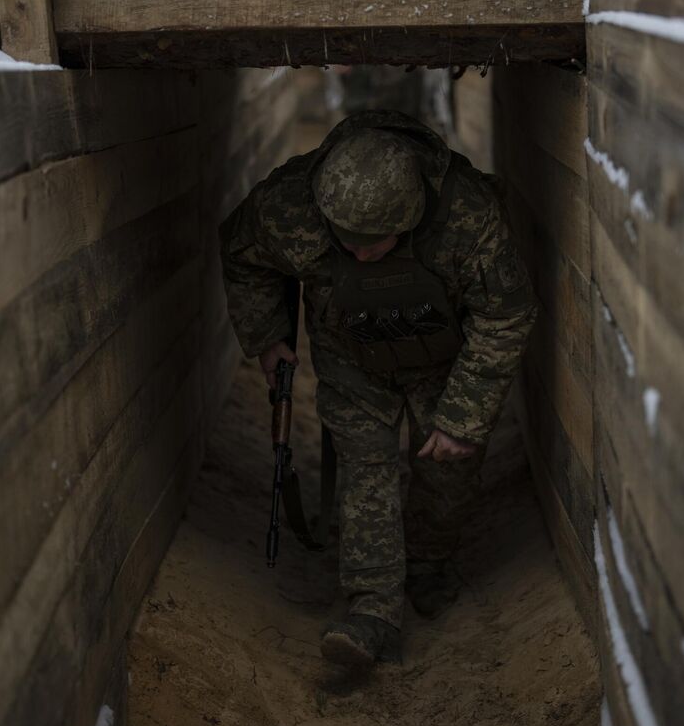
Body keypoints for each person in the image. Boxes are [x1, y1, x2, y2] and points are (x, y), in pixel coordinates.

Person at [219, 109, 537, 668]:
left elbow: (506, 313)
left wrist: (464, 416)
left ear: (410, 220)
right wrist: (268, 336)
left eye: (375, 244)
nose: (361, 254)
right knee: (366, 466)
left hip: (445, 362)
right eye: (349, 243)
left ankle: (430, 564)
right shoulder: (290, 206)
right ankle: (371, 609)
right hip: (350, 358)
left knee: (447, 468)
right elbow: (243, 253)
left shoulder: (467, 216)